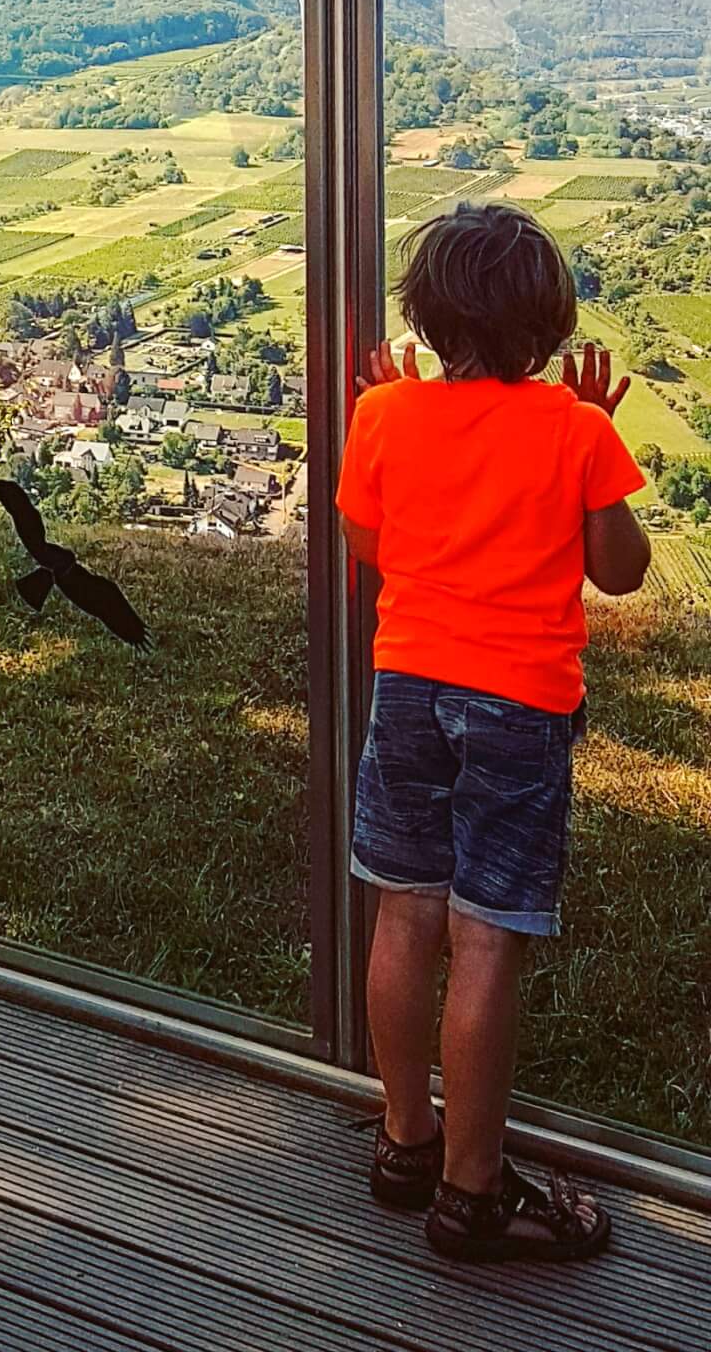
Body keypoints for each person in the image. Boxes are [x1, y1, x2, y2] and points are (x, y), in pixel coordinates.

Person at [337, 199, 648, 1263]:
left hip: (408, 686)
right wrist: (592, 439)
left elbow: (368, 545)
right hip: (517, 703)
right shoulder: (575, 428)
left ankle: (401, 1142)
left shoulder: (381, 413)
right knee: (482, 937)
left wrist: (401, 420)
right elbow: (618, 570)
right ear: (547, 326)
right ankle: (472, 1195)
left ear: (427, 314)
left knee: (402, 915)